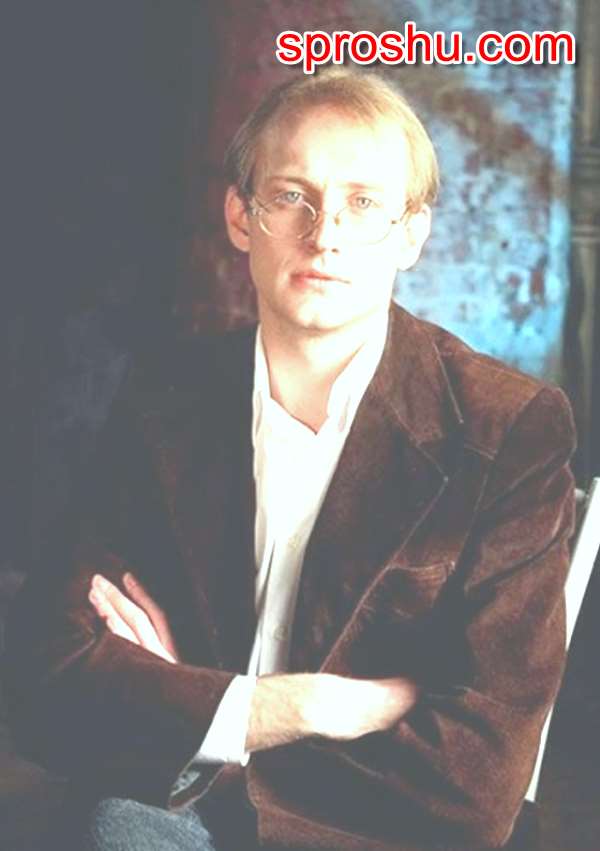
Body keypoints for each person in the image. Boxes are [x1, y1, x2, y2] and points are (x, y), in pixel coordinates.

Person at [5, 68, 576, 851]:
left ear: (411, 234)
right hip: (170, 817)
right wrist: (301, 706)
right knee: (116, 830)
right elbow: (41, 678)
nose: (324, 233)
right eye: (290, 196)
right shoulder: (165, 397)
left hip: (367, 836)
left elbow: (472, 789)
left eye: (363, 203)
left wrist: (200, 718)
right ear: (241, 216)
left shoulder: (509, 428)